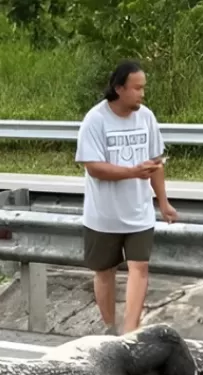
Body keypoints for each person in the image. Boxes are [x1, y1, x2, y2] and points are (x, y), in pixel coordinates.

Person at [74, 59, 178, 334]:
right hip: (104, 214)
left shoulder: (146, 117)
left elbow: (156, 163)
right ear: (119, 88)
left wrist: (163, 203)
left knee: (140, 266)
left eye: (143, 88)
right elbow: (94, 168)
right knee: (105, 271)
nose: (142, 94)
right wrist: (132, 172)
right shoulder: (95, 120)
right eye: (136, 88)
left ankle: (131, 330)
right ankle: (109, 326)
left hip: (139, 211)